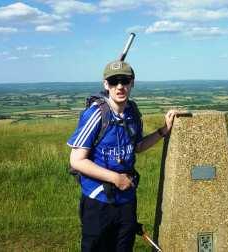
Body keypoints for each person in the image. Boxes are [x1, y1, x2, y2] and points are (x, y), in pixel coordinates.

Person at [67, 60, 176, 251]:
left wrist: (163, 130)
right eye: (114, 81)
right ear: (105, 84)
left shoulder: (132, 113)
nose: (120, 86)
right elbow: (76, 160)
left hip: (126, 199)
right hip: (98, 200)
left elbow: (138, 146)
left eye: (124, 81)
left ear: (132, 83)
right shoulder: (96, 115)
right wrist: (116, 178)